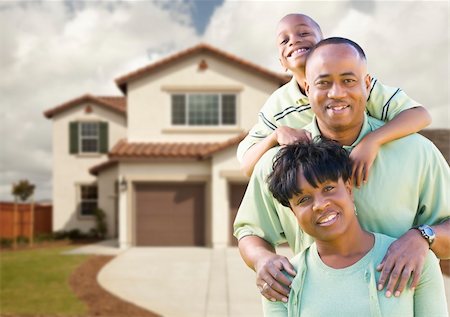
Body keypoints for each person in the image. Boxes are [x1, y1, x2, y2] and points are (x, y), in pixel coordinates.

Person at [234, 37, 450, 304]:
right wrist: (262, 260)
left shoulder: (417, 152)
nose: (336, 93)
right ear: (307, 87)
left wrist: (422, 237)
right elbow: (250, 231)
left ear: (367, 84)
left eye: (348, 80)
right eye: (323, 83)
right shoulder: (278, 164)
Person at [237, 13, 431, 189]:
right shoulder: (278, 105)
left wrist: (372, 141)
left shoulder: (357, 88)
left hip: (374, 179)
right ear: (282, 63)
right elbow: (247, 166)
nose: (294, 41)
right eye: (284, 40)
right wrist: (275, 136)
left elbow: (420, 115)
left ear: (324, 44)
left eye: (303, 33)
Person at [262, 139, 448, 316]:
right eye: (303, 199)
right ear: (294, 213)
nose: (319, 205)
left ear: (349, 190)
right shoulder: (281, 282)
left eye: (328, 188)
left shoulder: (413, 260)